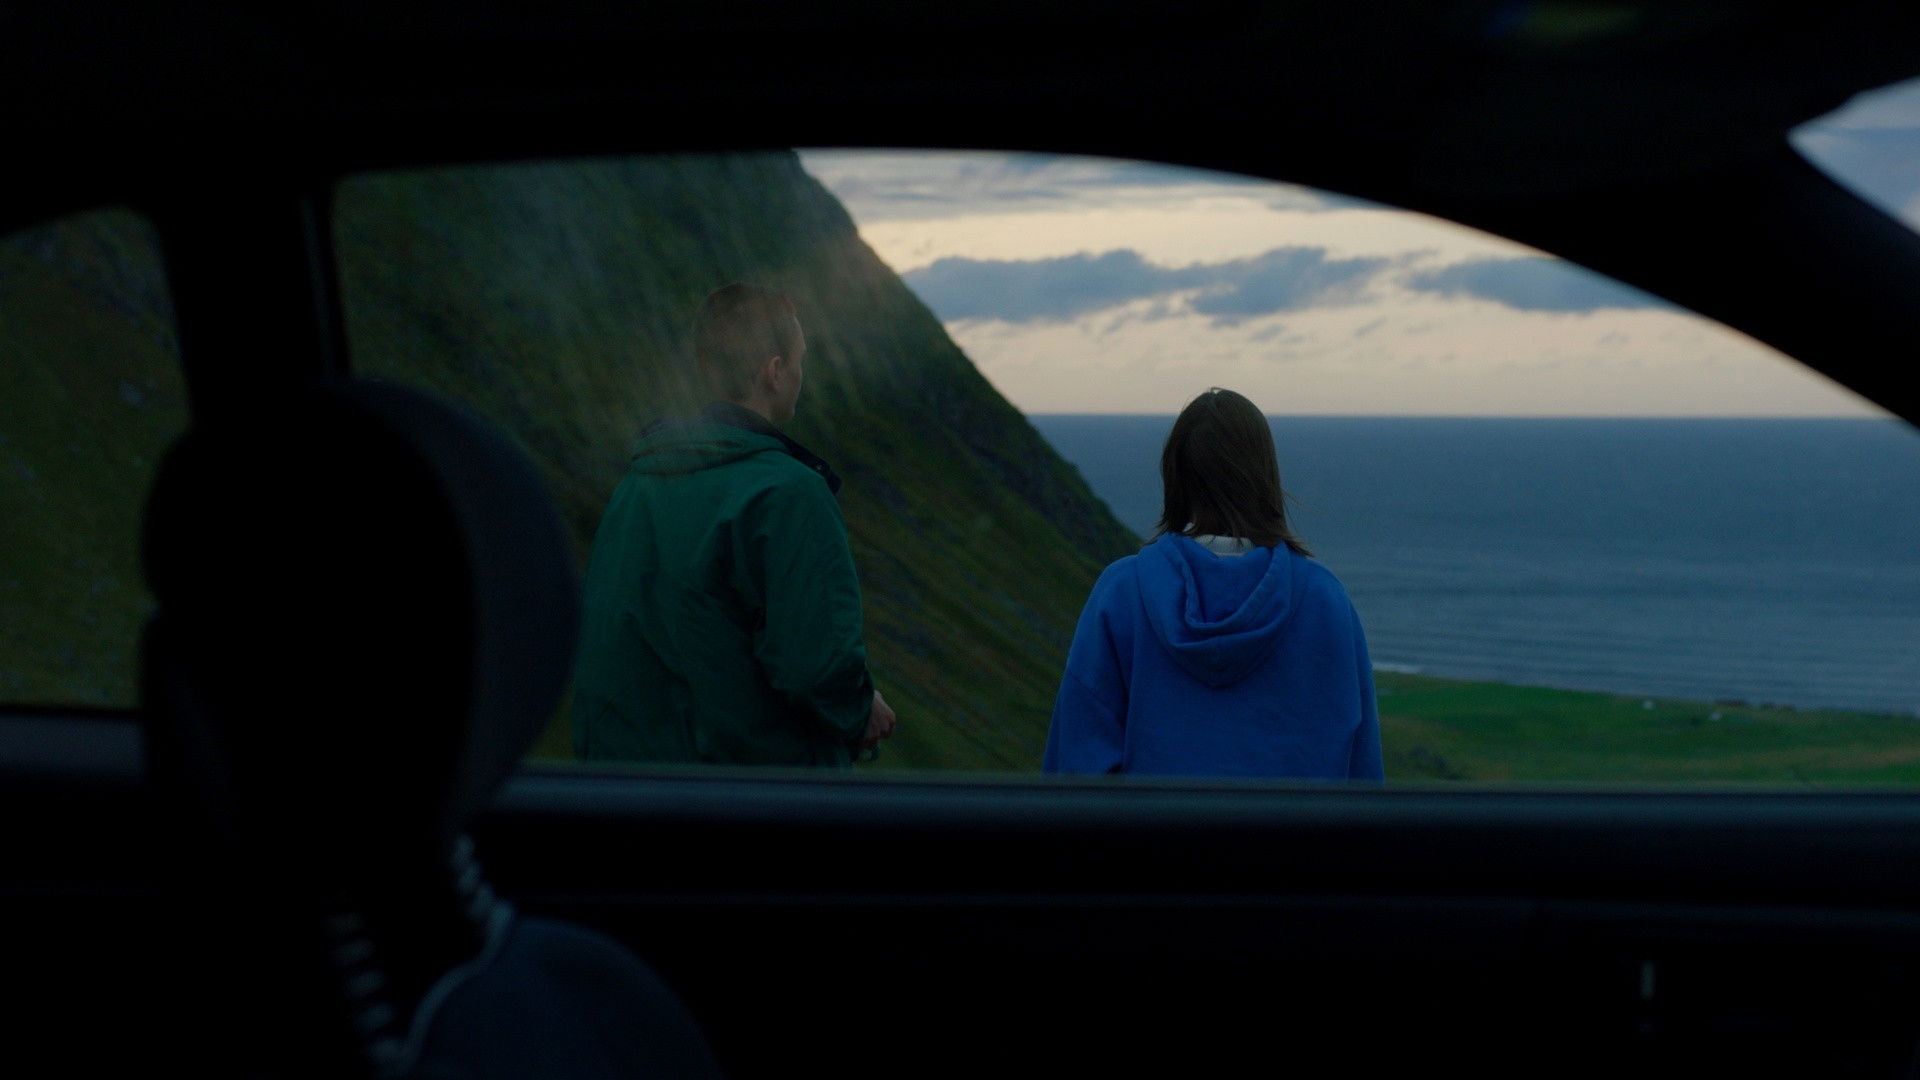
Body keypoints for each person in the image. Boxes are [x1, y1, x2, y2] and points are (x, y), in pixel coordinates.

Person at [570, 283, 896, 765]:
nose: (801, 373)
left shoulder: (639, 483)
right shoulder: (787, 492)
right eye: (799, 360)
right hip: (744, 795)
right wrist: (858, 708)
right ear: (774, 371)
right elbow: (813, 666)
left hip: (624, 788)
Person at [1043, 388, 1382, 779]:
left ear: (1176, 474)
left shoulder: (1122, 591)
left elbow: (1078, 758)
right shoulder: (1324, 599)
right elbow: (1361, 769)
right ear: (1264, 474)